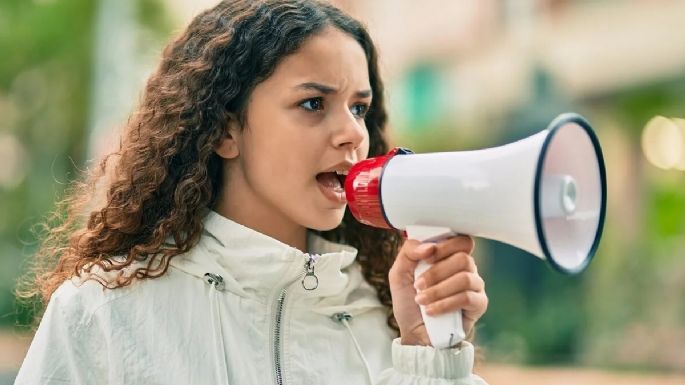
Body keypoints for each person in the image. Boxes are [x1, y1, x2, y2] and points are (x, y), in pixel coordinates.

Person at [14, 1, 489, 384]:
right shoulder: (102, 312)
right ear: (225, 129)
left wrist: (429, 357)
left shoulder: (384, 316)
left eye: (359, 108)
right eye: (312, 103)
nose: (353, 134)